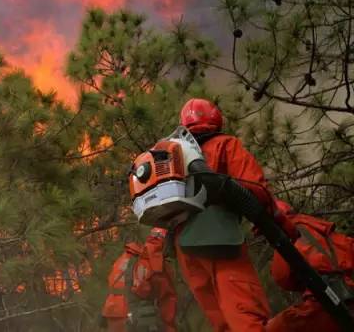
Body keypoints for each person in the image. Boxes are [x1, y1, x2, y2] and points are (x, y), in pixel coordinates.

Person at [173, 98, 287, 332]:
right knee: (246, 315)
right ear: (215, 119)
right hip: (219, 238)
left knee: (221, 322)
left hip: (184, 247)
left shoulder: (174, 156)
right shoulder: (225, 144)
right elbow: (256, 190)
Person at [266, 200, 354, 332]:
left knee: (272, 328)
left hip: (321, 305)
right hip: (349, 294)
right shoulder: (319, 227)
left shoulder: (286, 237)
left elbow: (282, 277)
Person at [101, 227, 177, 332]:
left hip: (112, 311)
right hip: (133, 316)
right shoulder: (154, 262)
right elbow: (166, 300)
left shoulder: (125, 256)